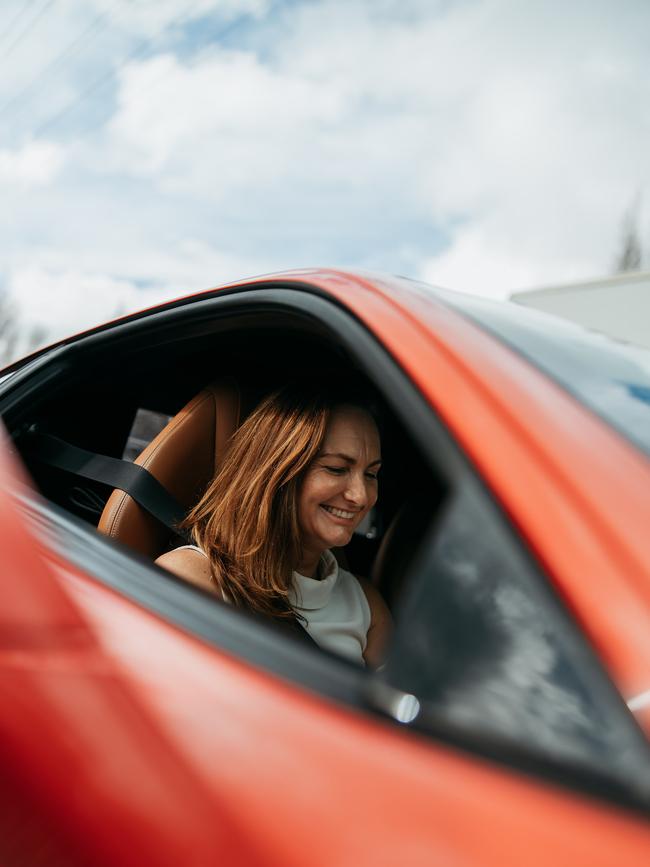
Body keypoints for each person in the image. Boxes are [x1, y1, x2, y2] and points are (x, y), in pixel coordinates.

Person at [155, 382, 392, 668]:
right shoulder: (193, 580)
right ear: (277, 472)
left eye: (371, 474)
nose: (361, 496)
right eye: (336, 469)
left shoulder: (367, 605)